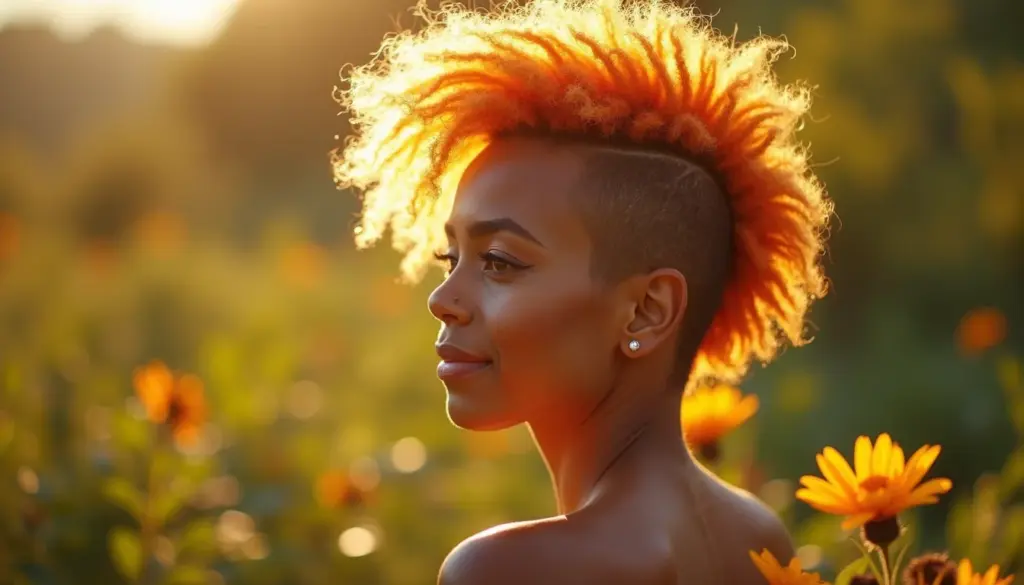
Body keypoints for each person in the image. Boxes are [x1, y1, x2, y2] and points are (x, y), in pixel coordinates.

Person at [333, 0, 832, 583]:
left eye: (498, 261)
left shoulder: (502, 570)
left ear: (647, 312)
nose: (442, 298)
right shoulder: (758, 536)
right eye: (451, 257)